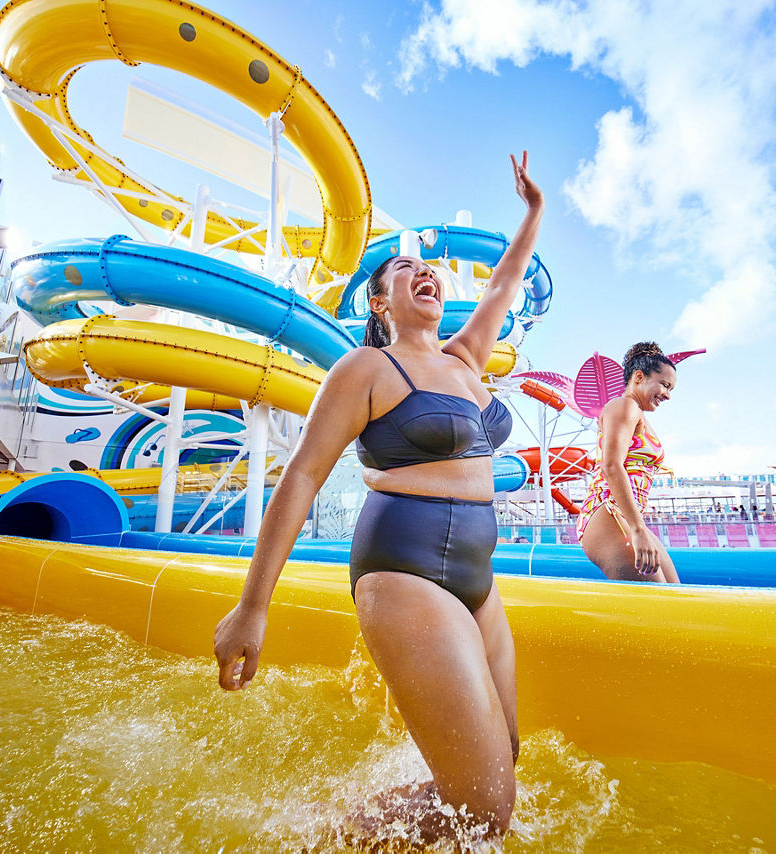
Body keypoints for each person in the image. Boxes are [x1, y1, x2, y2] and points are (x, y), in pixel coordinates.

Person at [212, 152, 543, 842]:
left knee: (496, 769)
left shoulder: (462, 360)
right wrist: (252, 606)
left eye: (429, 270)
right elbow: (301, 475)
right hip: (404, 567)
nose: (425, 273)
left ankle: (342, 829)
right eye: (403, 271)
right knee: (485, 807)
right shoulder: (366, 367)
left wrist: (533, 212)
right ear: (378, 302)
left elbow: (504, 285)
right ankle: (315, 843)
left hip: (477, 580)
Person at [576, 342, 680, 583]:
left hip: (623, 515)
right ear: (639, 377)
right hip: (609, 512)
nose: (667, 395)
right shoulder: (624, 405)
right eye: (664, 385)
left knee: (676, 595)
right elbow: (611, 466)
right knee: (660, 607)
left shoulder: (635, 412)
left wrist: (638, 525)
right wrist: (637, 529)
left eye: (671, 388)